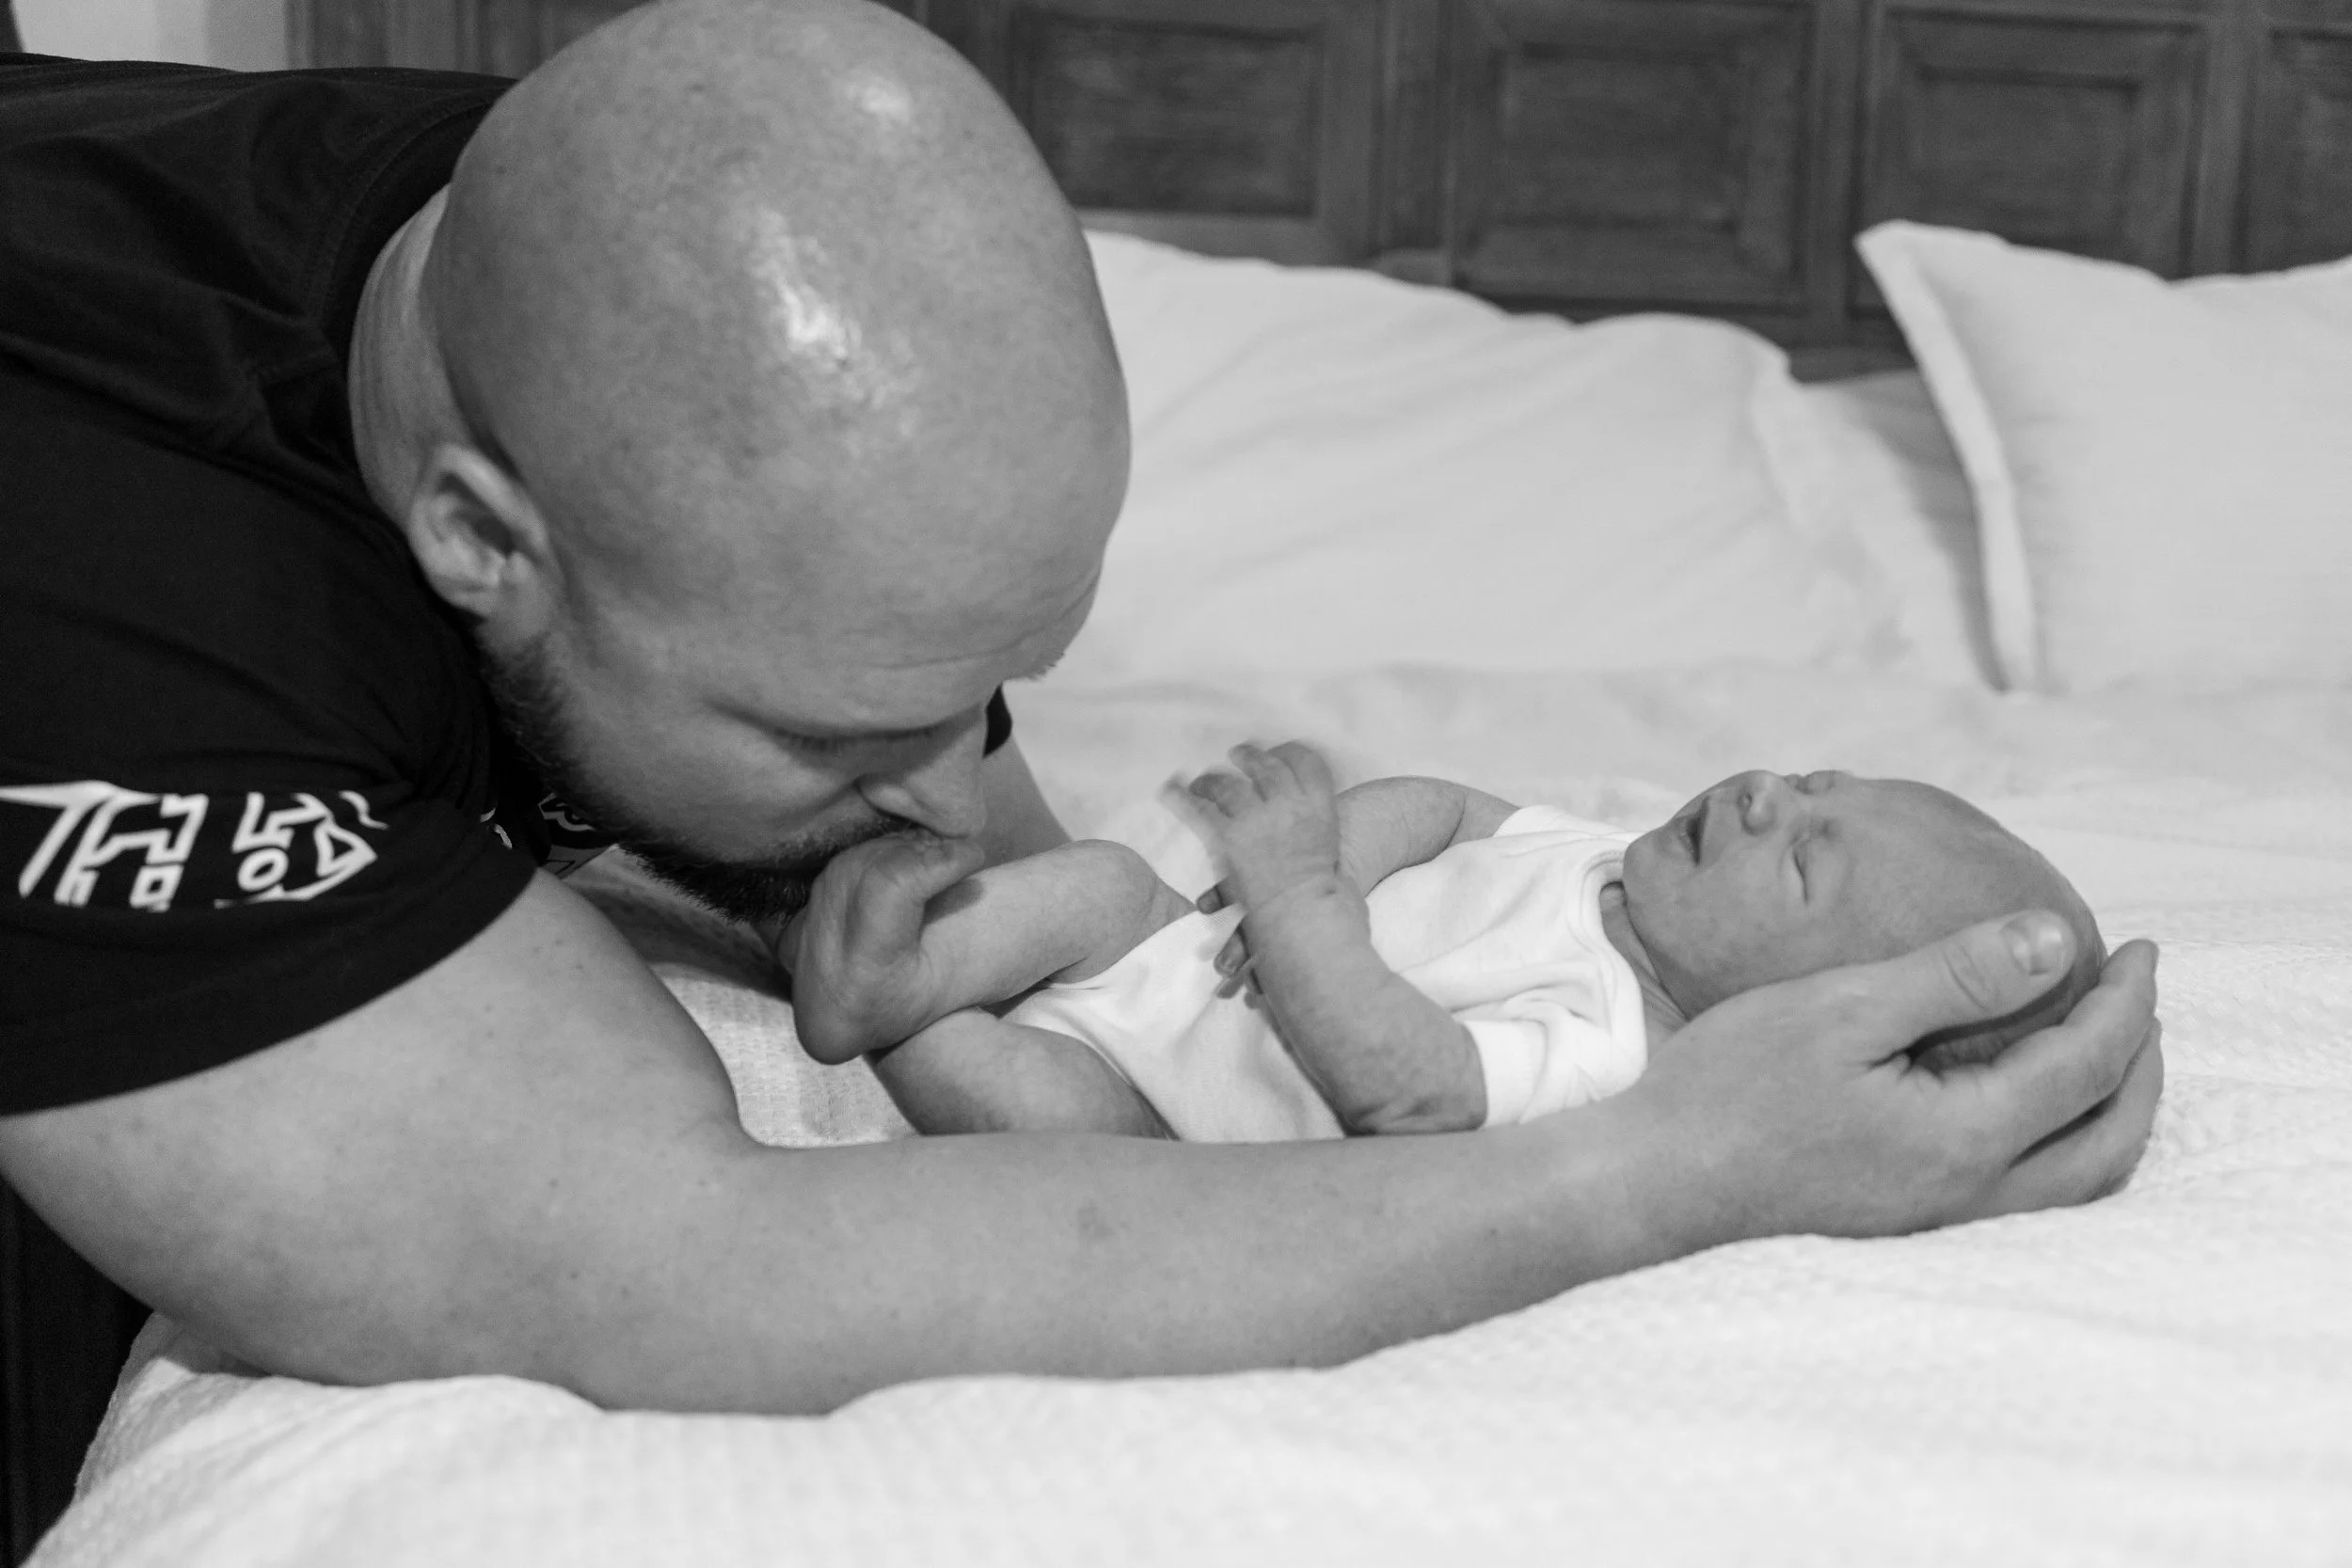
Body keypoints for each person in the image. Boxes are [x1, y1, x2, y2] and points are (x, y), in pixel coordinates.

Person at [0, 0, 2161, 1418]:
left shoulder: (621, 244)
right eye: (840, 739)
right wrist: (1671, 1167)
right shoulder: (122, 609)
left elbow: (1018, 897)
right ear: (482, 536)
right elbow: (667, 1259)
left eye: (985, 682)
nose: (957, 801)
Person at [790, 746, 2106, 1142]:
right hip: (1174, 953)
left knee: (1034, 1107)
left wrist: (1302, 910)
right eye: (1814, 781)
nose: (1766, 795)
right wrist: (1335, 865)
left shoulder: (1612, 1052)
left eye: (1805, 856)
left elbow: (1407, 1088)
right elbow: (1443, 807)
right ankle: (897, 965)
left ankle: (883, 1010)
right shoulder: (1604, 856)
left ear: (1806, 1011)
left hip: (1161, 1108)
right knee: (1099, 880)